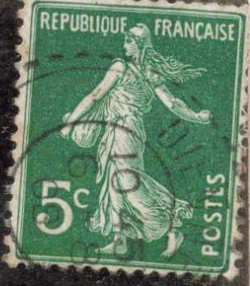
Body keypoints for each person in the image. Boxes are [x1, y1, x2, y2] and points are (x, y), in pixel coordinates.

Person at [60, 24, 212, 259]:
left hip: (125, 130)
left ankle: (173, 225)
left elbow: (96, 94)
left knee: (129, 182)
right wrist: (197, 117)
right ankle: (119, 240)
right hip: (117, 130)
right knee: (114, 183)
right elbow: (173, 103)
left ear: (139, 44)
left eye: (129, 40)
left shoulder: (122, 67)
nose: (124, 44)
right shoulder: (149, 73)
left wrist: (71, 123)